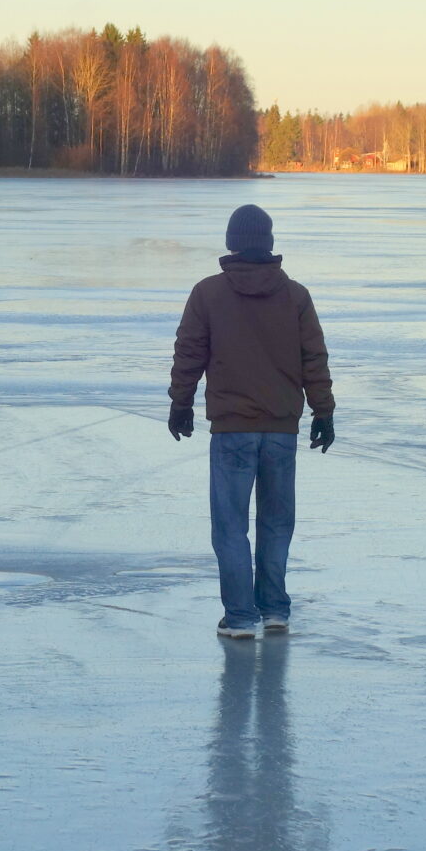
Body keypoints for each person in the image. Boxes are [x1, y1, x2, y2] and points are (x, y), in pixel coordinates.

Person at [169, 204, 335, 638]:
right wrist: (323, 411)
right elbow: (314, 358)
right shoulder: (295, 295)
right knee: (277, 523)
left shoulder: (207, 293)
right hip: (280, 428)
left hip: (232, 429)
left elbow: (189, 354)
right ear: (268, 241)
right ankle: (275, 610)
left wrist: (181, 404)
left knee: (230, 526)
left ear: (231, 242)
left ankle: (241, 617)